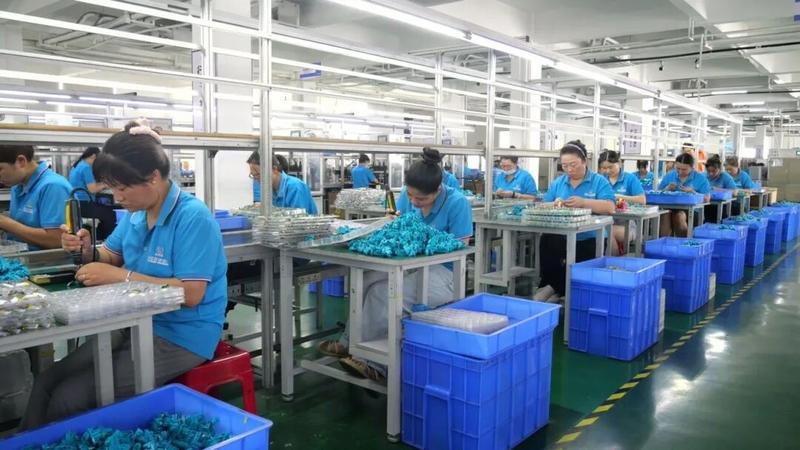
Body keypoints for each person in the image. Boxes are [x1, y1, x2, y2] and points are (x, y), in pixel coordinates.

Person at [19, 120, 227, 430]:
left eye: (122, 188)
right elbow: (110, 255)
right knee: (47, 381)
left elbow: (191, 293)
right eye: (112, 188)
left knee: (69, 397)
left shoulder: (192, 218)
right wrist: (87, 250)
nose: (116, 197)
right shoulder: (136, 214)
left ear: (153, 178)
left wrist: (119, 276)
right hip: (133, 322)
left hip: (181, 334)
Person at [317, 148, 473, 382]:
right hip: (408, 265)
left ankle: (375, 363)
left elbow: (460, 247)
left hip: (445, 273)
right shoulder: (408, 197)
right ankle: (349, 343)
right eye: (410, 196)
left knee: (383, 293)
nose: (414, 202)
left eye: (421, 199)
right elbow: (397, 225)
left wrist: (425, 241)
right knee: (365, 280)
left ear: (438, 190)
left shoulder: (457, 203)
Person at [535, 141, 615, 301]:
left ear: (584, 161)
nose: (569, 169)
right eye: (564, 166)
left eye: (573, 165)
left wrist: (584, 202)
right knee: (547, 240)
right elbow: (543, 205)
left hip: (590, 237)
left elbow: (610, 207)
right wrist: (555, 203)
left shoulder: (599, 181)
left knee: (579, 267)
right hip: (562, 235)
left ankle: (553, 289)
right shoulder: (559, 182)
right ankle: (554, 289)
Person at [0, 145, 71, 250]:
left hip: (48, 259)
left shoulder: (53, 186)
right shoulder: (17, 185)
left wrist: (5, 223)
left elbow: (56, 240)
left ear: (21, 161)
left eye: (0, 169)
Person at [598, 150, 646, 256]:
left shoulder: (630, 179)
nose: (607, 171)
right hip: (605, 222)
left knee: (607, 232)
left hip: (627, 226)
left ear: (619, 163)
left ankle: (613, 262)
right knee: (602, 230)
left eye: (610, 167)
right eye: (604, 168)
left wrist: (619, 197)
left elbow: (642, 200)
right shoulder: (600, 179)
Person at [246, 151, 317, 214]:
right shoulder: (270, 190)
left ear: (274, 169)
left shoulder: (295, 187)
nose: (256, 179)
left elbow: (298, 220)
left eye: (258, 174)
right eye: (253, 175)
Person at [658, 153, 711, 237]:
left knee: (679, 216)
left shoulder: (701, 179)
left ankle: (683, 242)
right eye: (678, 168)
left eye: (684, 169)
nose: (680, 172)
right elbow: (658, 193)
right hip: (671, 208)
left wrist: (693, 192)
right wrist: (666, 189)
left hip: (692, 211)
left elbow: (707, 199)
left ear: (692, 168)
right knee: (664, 214)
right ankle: (665, 242)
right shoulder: (670, 176)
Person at [69, 147, 116, 240]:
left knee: (103, 214)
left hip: (77, 204)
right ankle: (109, 240)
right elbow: (93, 189)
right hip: (85, 204)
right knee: (109, 214)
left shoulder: (77, 166)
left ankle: (99, 238)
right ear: (94, 156)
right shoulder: (86, 167)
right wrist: (106, 184)